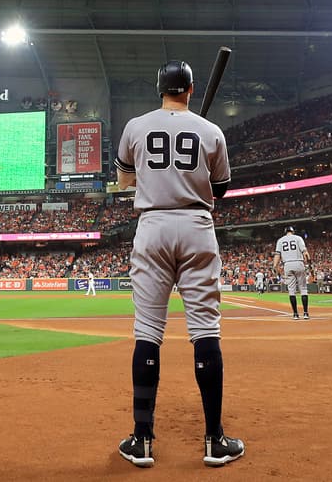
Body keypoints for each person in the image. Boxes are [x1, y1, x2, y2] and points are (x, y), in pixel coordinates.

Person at [113, 59, 244, 468]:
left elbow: (124, 182)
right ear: (189, 90)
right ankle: (214, 441)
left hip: (151, 224)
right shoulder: (211, 131)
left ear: (160, 89)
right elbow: (220, 189)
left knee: (148, 332)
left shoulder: (136, 126)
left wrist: (159, 173)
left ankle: (142, 440)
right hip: (196, 225)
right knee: (205, 328)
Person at [273, 225, 310, 320]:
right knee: (303, 289)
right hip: (299, 263)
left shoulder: (280, 240)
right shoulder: (298, 238)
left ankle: (295, 314)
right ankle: (305, 313)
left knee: (291, 290)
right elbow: (305, 252)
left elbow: (277, 255)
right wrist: (309, 262)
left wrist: (275, 266)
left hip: (287, 265)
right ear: (293, 231)